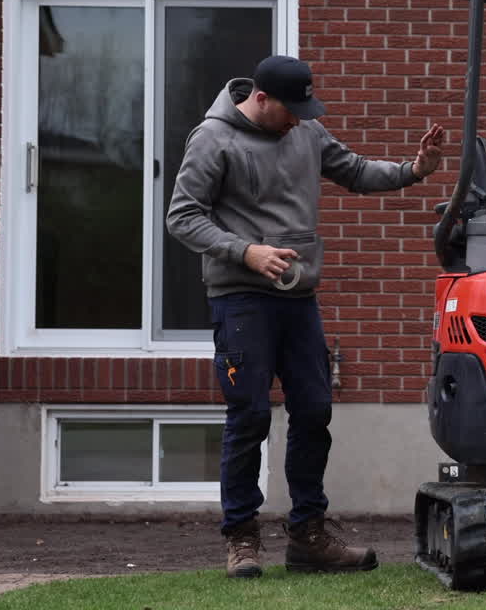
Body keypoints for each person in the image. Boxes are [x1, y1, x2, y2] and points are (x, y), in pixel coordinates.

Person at [167, 55, 445, 579]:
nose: (298, 119)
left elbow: (354, 170)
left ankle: (308, 537)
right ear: (261, 98)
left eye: (304, 110)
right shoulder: (213, 139)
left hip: (298, 299)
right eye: (290, 110)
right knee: (249, 416)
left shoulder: (306, 131)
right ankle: (241, 537)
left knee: (314, 412)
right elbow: (182, 216)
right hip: (241, 299)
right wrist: (246, 251)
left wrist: (413, 171)